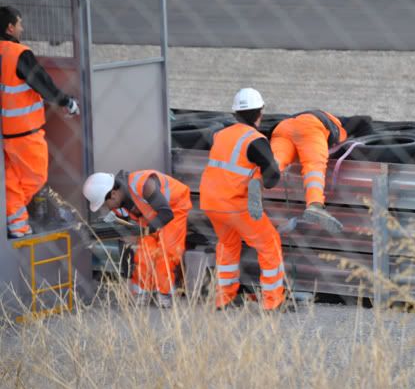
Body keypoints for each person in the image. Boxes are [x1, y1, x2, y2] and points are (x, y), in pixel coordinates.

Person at [199, 87, 288, 311]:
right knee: (269, 244)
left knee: (228, 245)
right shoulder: (256, 140)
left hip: (211, 203)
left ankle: (223, 297)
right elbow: (273, 175)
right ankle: (272, 301)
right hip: (235, 205)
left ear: (235, 114)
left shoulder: (220, 135)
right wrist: (262, 181)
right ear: (261, 112)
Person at [0, 6, 80, 238]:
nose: (22, 28)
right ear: (10, 27)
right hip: (25, 132)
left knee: (11, 180)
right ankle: (14, 221)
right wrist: (66, 102)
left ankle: (18, 227)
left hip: (5, 135)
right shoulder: (17, 53)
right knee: (35, 178)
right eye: (20, 23)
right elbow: (42, 83)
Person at [82, 169, 192, 308]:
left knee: (167, 252)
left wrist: (141, 232)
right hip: (149, 216)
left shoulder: (143, 184)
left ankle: (165, 295)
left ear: (114, 194)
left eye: (104, 204)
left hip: (174, 209)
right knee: (144, 253)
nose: (105, 208)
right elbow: (125, 241)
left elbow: (166, 214)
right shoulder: (118, 207)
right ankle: (143, 293)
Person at [270, 110, 372, 233]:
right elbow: (365, 119)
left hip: (281, 128)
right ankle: (315, 205)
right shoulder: (340, 123)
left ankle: (254, 185)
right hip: (309, 126)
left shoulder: (326, 120)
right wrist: (367, 143)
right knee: (314, 166)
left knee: (275, 163)